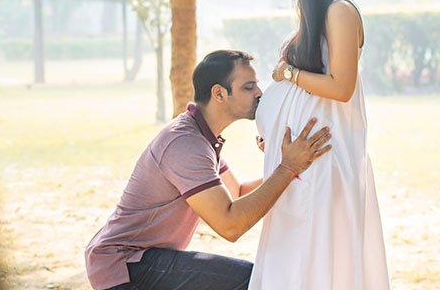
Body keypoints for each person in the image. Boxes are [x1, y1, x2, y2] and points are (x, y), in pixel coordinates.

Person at [85, 50, 332, 290]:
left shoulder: (202, 138)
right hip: (126, 264)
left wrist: (289, 164)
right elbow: (230, 225)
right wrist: (287, 167)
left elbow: (236, 193)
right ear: (219, 94)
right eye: (248, 87)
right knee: (254, 281)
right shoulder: (185, 144)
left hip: (142, 260)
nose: (259, 93)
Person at [248, 0, 390, 289]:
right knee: (295, 259)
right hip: (303, 160)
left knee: (317, 261)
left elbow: (340, 87)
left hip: (325, 159)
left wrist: (289, 73)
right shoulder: (316, 16)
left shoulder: (339, 11)